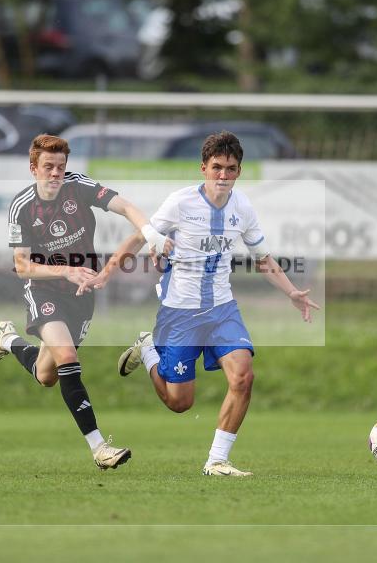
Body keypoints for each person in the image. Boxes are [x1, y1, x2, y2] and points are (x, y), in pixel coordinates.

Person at [82, 131, 320, 476]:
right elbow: (137, 237)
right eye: (217, 168)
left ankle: (217, 461)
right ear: (203, 168)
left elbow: (263, 258)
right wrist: (105, 274)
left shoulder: (243, 208)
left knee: (243, 378)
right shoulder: (180, 203)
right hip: (180, 313)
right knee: (180, 403)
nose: (223, 175)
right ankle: (148, 349)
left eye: (231, 168)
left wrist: (292, 292)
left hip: (223, 310)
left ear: (239, 171)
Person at [0, 134, 168, 470]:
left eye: (61, 167)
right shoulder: (22, 206)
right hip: (43, 290)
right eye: (48, 167)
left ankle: (9, 341)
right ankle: (99, 448)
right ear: (33, 168)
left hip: (82, 293)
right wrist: (66, 271)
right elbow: (23, 265)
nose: (55, 174)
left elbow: (126, 206)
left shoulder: (78, 186)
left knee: (47, 375)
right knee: (67, 356)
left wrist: (151, 233)